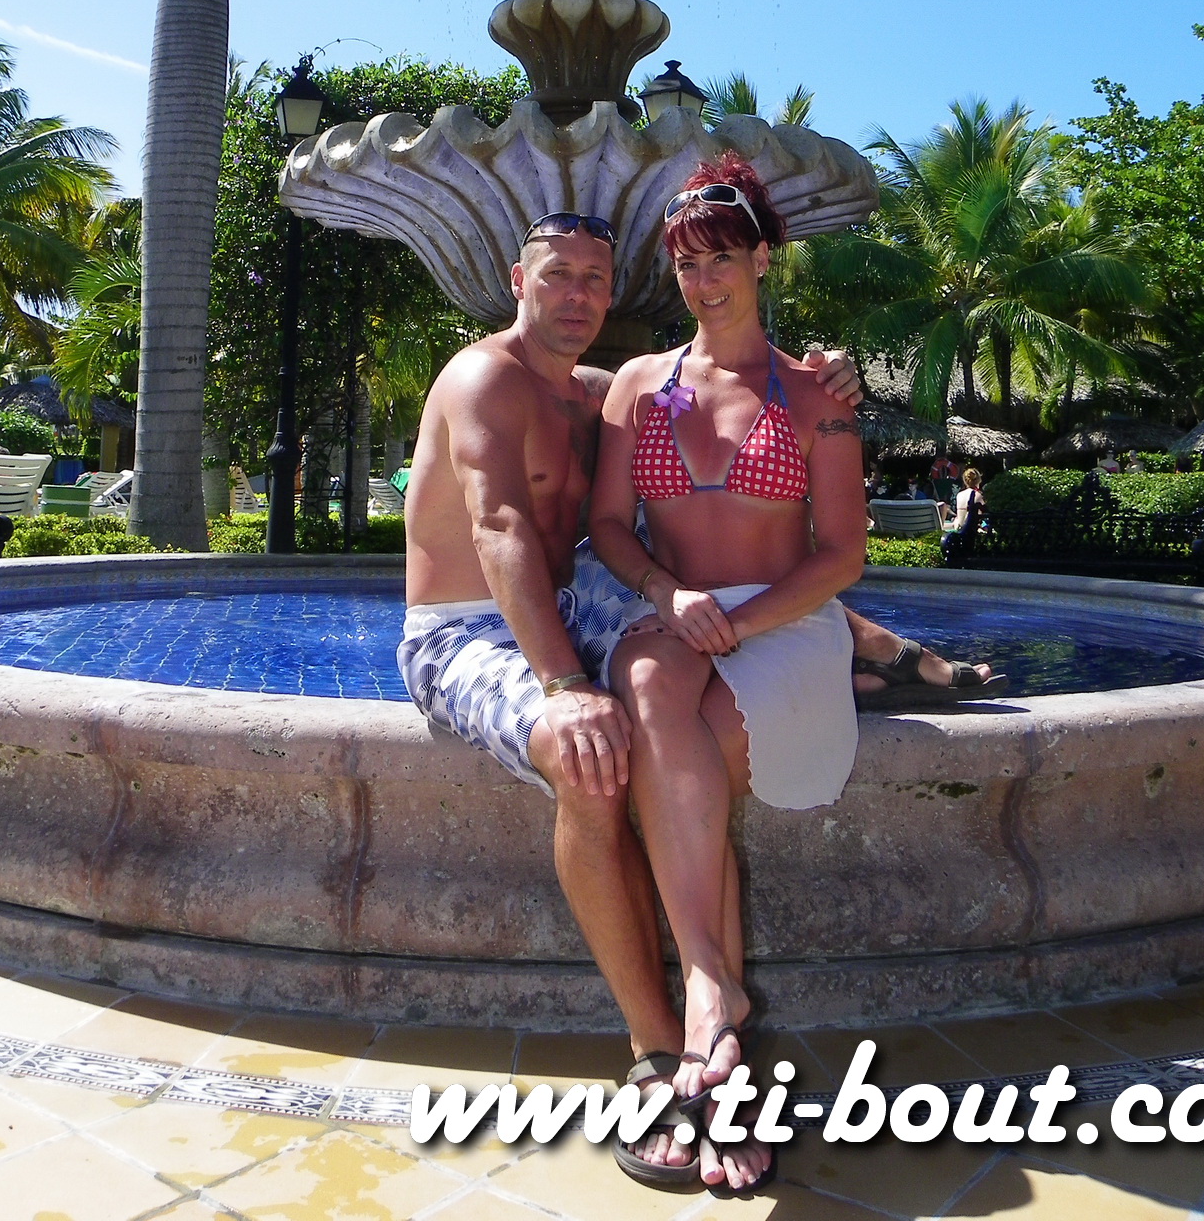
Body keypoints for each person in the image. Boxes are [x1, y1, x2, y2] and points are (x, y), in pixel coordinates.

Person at [397, 205, 990, 1192]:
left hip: (572, 599)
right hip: (467, 624)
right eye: (558, 275)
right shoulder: (481, 378)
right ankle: (656, 1049)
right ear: (516, 281)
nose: (579, 295)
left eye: (596, 278)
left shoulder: (605, 391)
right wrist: (562, 687)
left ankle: (863, 650)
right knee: (589, 758)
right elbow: (499, 526)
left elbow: (713, 435)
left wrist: (837, 377)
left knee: (670, 711)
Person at [590, 160, 999, 1194]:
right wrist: (669, 592)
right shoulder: (639, 384)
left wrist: (738, 619)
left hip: (786, 618)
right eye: (687, 265)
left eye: (722, 259)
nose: (704, 282)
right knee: (651, 692)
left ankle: (707, 1017)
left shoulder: (818, 393)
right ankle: (714, 1002)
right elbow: (607, 524)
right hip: (674, 611)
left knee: (691, 760)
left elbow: (843, 555)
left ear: (763, 259)